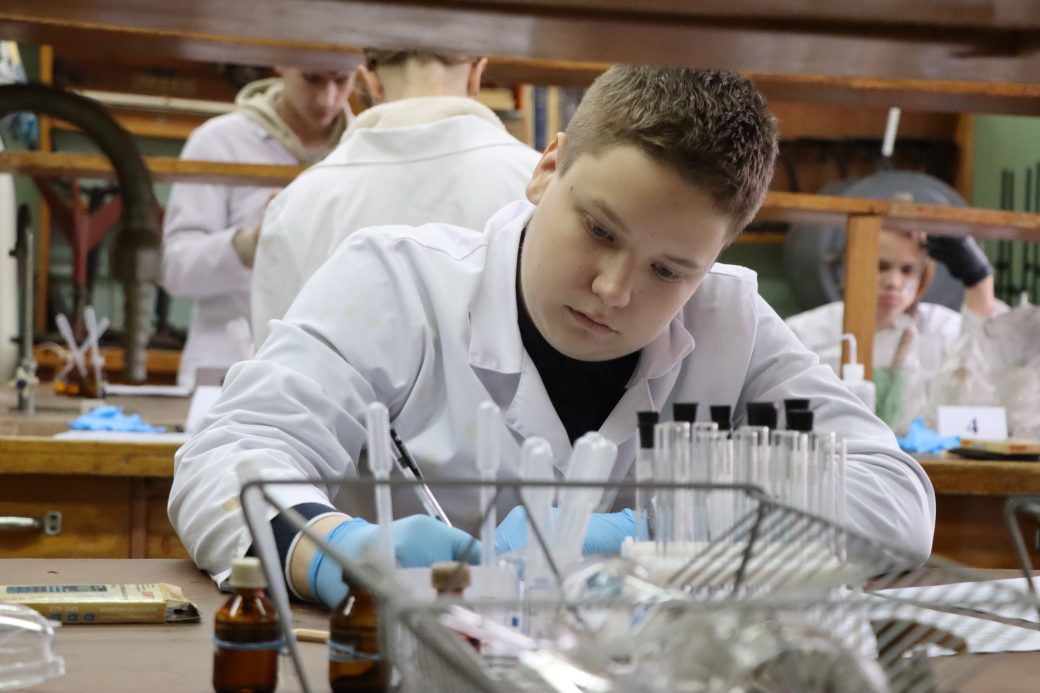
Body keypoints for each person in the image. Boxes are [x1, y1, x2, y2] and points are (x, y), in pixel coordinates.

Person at [169, 65, 935, 608]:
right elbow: (228, 456)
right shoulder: (397, 283)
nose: (614, 288)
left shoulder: (728, 322)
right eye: (598, 229)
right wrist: (335, 547)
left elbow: (895, 499)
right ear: (547, 168)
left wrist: (660, 533)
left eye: (669, 269)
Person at [250, 49, 540, 345]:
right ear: (476, 75)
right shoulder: (537, 183)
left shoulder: (297, 203)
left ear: (370, 80)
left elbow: (274, 358)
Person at [161, 67, 354, 387]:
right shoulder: (219, 142)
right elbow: (176, 269)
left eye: (342, 80)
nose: (327, 98)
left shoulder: (364, 148)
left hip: (332, 375)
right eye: (312, 78)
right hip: (227, 370)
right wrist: (249, 245)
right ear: (282, 65)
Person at [786, 228, 1003, 427]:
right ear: (850, 267)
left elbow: (986, 371)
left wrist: (980, 283)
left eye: (908, 270)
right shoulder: (805, 333)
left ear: (923, 276)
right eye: (881, 266)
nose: (894, 282)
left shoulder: (940, 329)